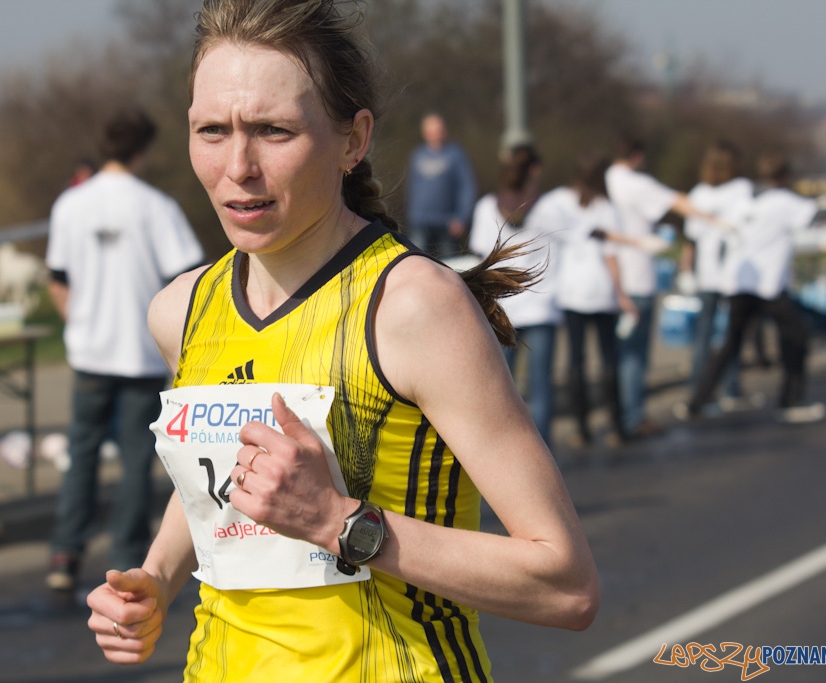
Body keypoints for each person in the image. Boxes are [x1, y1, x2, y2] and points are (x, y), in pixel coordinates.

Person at [85, 1, 599, 680]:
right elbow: (220, 482)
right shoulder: (180, 310)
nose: (238, 166)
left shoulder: (413, 306)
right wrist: (155, 577)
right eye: (212, 130)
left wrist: (338, 522)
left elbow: (566, 585)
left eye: (273, 131)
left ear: (352, 141)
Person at [44, 108, 205, 591]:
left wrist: (79, 325)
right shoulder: (155, 206)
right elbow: (188, 280)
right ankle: (126, 561)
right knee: (136, 458)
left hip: (89, 352)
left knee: (82, 452)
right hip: (140, 353)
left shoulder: (71, 204)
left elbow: (57, 280)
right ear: (143, 150)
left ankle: (65, 554)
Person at [680, 152, 826, 424]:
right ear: (786, 176)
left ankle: (696, 402)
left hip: (738, 283)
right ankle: (791, 400)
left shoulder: (747, 202)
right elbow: (816, 214)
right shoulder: (783, 200)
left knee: (730, 344)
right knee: (796, 338)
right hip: (766, 285)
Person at [604, 134, 711, 439]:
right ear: (638, 155)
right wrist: (716, 218)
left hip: (607, 279)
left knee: (615, 354)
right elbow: (677, 202)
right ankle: (633, 417)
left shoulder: (605, 179)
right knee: (634, 355)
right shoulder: (637, 184)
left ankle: (619, 418)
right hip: (636, 277)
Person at [539, 154, 633, 448]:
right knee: (609, 360)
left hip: (572, 291)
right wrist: (622, 293)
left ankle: (582, 429)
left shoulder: (559, 201)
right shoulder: (606, 208)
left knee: (575, 362)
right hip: (602, 291)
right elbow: (611, 254)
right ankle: (616, 426)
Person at [468, 145, 558, 443]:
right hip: (543, 307)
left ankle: (502, 448)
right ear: (534, 170)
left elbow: (480, 258)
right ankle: (543, 452)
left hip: (502, 308)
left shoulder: (486, 207)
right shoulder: (549, 207)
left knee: (500, 389)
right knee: (540, 387)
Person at [677, 141, 754, 409]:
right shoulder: (741, 189)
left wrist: (686, 268)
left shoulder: (699, 193)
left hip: (707, 272)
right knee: (731, 334)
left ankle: (699, 389)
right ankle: (731, 389)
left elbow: (691, 239)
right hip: (733, 274)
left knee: (705, 333)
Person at [405, 112, 477, 258]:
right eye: (431, 130)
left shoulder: (455, 154)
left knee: (450, 264)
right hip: (420, 222)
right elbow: (412, 187)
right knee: (417, 261)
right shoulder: (418, 155)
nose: (435, 134)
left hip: (448, 223)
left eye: (438, 130)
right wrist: (411, 214)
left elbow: (467, 187)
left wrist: (462, 217)